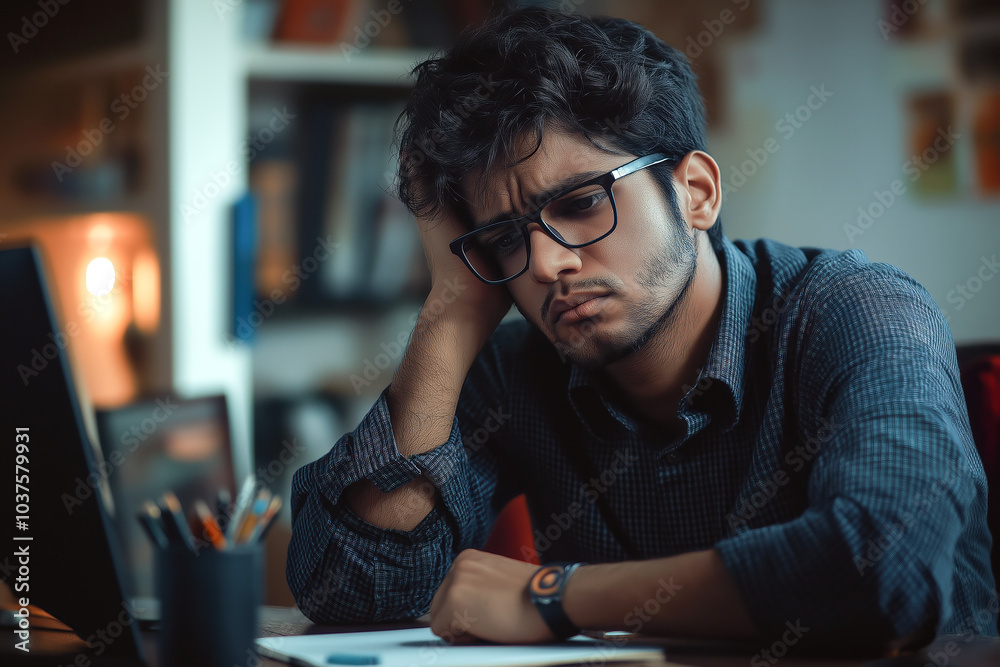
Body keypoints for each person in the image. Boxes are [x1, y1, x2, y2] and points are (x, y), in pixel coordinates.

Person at [286, 7, 997, 652]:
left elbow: (883, 563)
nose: (542, 262)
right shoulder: (515, 369)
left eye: (582, 201)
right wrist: (452, 304)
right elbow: (352, 595)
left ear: (697, 192)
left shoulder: (855, 310)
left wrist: (554, 597)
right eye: (505, 238)